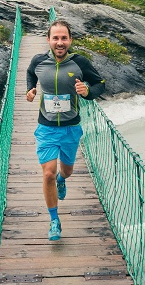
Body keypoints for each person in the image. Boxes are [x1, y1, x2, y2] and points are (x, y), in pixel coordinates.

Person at [26, 19, 105, 241]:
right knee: (48, 173)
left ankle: (63, 179)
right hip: (46, 128)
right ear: (48, 40)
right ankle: (54, 220)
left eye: (64, 38)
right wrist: (30, 90)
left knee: (66, 172)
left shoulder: (80, 63)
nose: (60, 42)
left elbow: (101, 84)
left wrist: (87, 91)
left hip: (71, 128)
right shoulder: (38, 60)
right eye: (55, 38)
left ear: (70, 40)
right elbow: (30, 73)